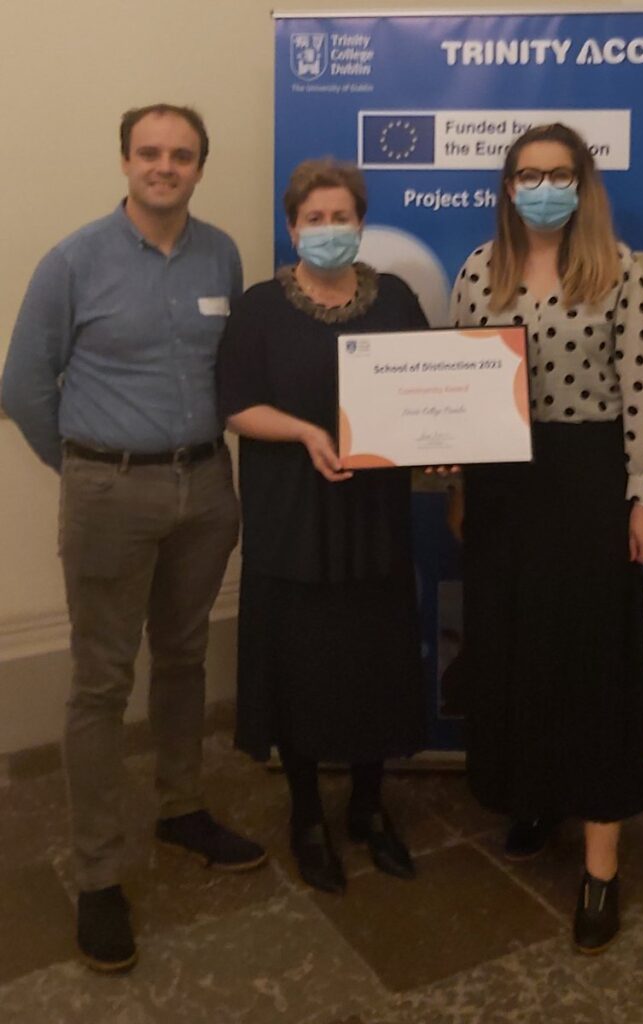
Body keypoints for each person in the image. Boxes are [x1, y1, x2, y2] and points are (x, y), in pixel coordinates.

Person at [1, 104, 266, 973]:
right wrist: (87, 467)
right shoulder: (74, 260)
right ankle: (99, 872)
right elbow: (24, 384)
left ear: (199, 165)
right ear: (125, 161)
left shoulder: (221, 252)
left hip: (206, 488)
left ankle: (182, 806)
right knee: (101, 683)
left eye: (181, 154)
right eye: (149, 153)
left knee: (185, 657)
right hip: (109, 490)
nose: (165, 167)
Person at [450, 123, 643, 953]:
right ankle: (533, 797)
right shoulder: (480, 269)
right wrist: (461, 482)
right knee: (514, 651)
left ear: (583, 183)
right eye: (526, 174)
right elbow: (457, 383)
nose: (542, 186)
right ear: (507, 186)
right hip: (505, 486)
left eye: (558, 173)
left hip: (589, 483)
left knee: (591, 657)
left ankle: (603, 865)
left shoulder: (617, 273)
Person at [217, 158, 427, 894]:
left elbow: (430, 390)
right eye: (315, 219)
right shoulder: (258, 309)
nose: (329, 230)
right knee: (300, 669)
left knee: (375, 662)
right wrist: (307, 433)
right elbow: (236, 404)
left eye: (342, 218)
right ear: (291, 226)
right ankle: (307, 814)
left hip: (374, 517)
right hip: (292, 516)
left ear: (360, 223)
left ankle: (369, 807)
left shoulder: (396, 300)